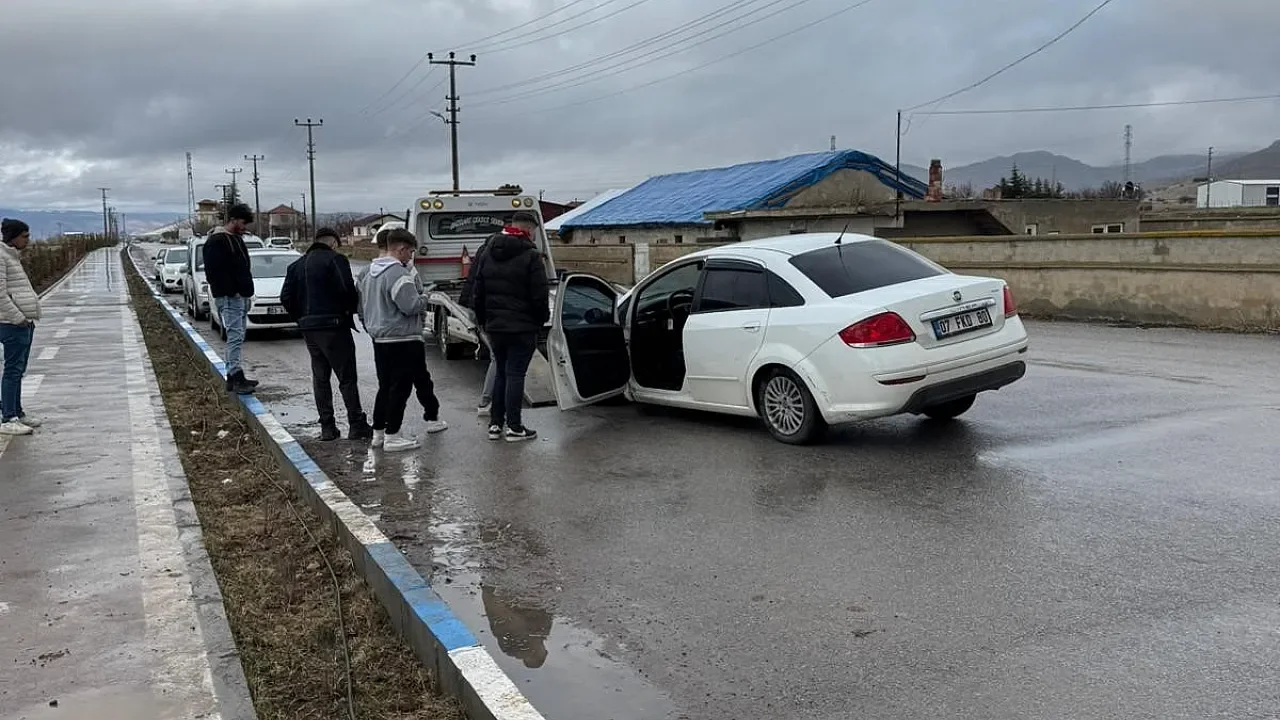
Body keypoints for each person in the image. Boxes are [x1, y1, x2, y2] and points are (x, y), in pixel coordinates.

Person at [358, 228, 448, 451]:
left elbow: (361, 307)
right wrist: (425, 297)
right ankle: (393, 435)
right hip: (404, 338)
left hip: (380, 339)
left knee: (385, 387)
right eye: (410, 252)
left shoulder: (367, 272)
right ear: (400, 249)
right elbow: (410, 306)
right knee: (401, 388)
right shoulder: (398, 273)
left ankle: (378, 433)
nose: (410, 257)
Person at [280, 227, 372, 442]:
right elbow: (347, 290)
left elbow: (285, 296)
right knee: (346, 377)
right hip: (334, 326)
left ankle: (328, 427)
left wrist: (301, 317)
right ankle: (356, 424)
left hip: (309, 329)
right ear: (332, 243)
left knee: (320, 378)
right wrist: (347, 312)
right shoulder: (335, 260)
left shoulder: (296, 266)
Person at [471, 211, 548, 443]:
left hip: (495, 326)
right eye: (533, 231)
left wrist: (483, 320)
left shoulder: (487, 252)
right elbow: (539, 295)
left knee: (502, 373)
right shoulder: (532, 256)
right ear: (528, 230)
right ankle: (515, 427)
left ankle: (495, 424)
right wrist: (540, 320)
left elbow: (478, 290)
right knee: (515, 375)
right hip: (522, 327)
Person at [203, 203, 258, 394]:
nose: (245, 228)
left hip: (240, 295)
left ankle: (236, 374)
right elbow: (214, 272)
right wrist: (231, 291)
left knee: (238, 336)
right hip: (230, 297)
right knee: (234, 337)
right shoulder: (217, 241)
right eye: (243, 223)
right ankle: (234, 377)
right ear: (233, 219)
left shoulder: (236, 239)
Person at [0, 219, 41, 436]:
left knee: (19, 370)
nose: (28, 240)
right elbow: (0, 295)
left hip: (23, 322)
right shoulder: (2, 257)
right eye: (25, 236)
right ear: (13, 237)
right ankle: (8, 417)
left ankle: (17, 411)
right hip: (11, 323)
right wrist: (18, 318)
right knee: (13, 370)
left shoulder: (12, 256)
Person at [458, 229, 498, 416]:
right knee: (498, 359)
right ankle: (487, 402)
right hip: (495, 315)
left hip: (482, 312)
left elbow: (474, 282)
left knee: (496, 357)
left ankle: (488, 401)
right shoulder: (496, 255)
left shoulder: (483, 251)